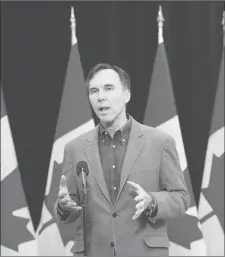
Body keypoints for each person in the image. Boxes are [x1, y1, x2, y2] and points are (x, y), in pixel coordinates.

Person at [54, 63, 190, 256]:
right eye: (94, 91)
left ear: (126, 95)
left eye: (108, 88)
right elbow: (71, 203)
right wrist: (64, 207)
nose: (101, 96)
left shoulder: (160, 142)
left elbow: (181, 198)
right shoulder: (74, 148)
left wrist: (152, 200)